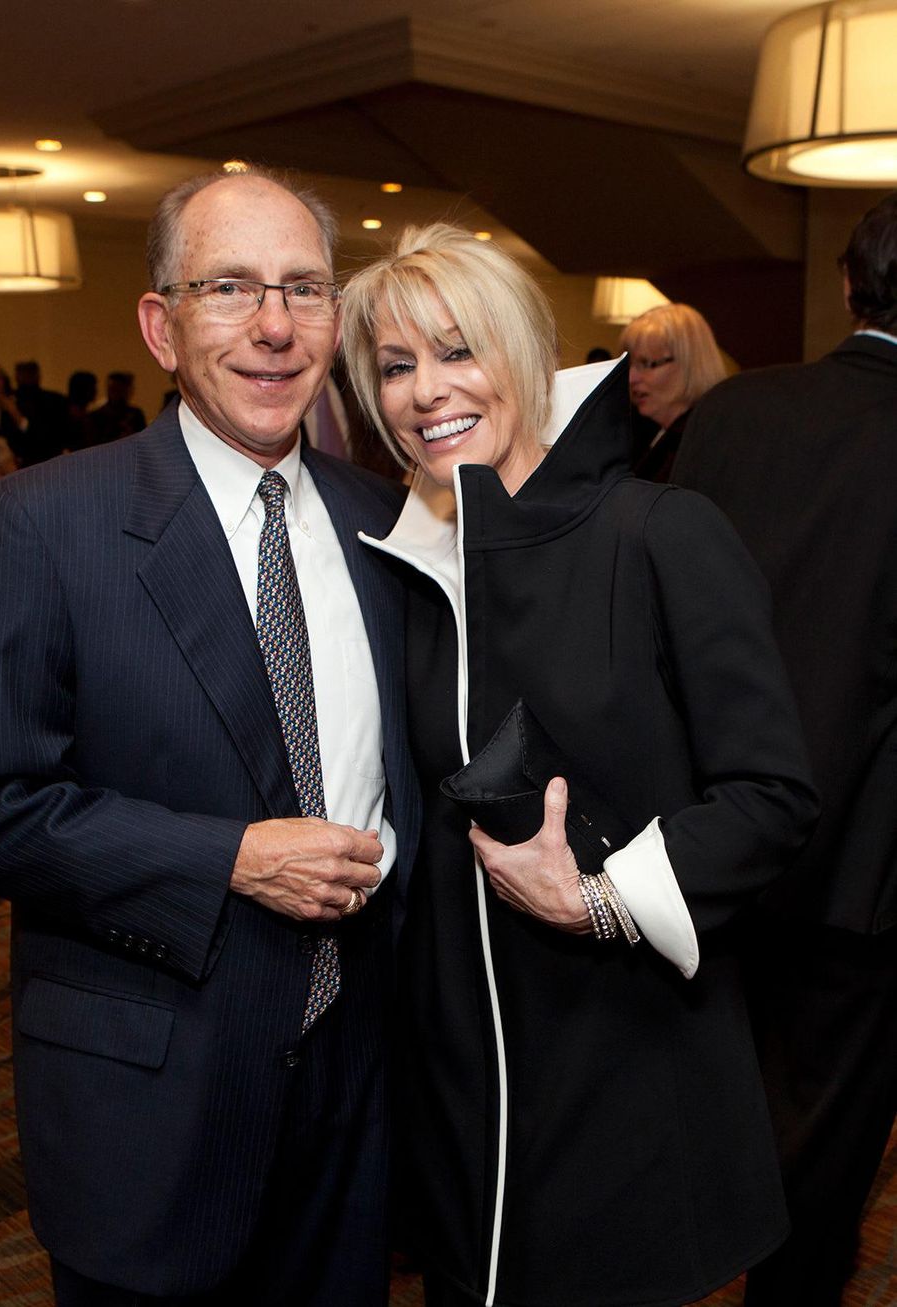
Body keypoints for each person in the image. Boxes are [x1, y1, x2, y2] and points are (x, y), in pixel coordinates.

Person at [0, 167, 420, 1307]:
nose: (274, 326)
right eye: (230, 286)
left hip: (351, 1094)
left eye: (302, 288)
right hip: (152, 1100)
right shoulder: (40, 523)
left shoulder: (383, 519)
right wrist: (230, 858)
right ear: (161, 322)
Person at [340, 224, 820, 1307]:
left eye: (457, 350)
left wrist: (602, 900)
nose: (427, 391)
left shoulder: (657, 533)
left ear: (521, 352)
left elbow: (771, 795)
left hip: (626, 1053)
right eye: (396, 365)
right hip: (461, 1073)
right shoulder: (413, 565)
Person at [672, 190, 897, 1307]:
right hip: (867, 863)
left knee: (722, 1092)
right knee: (825, 1135)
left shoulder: (728, 416)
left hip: (715, 836)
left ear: (849, 289)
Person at [619, 302, 726, 480]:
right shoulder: (642, 431)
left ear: (690, 365)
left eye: (646, 363)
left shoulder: (707, 443)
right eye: (630, 365)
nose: (631, 378)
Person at [84, 370, 148, 445]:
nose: (116, 394)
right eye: (113, 389)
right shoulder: (96, 416)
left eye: (119, 390)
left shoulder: (136, 414)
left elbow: (143, 440)